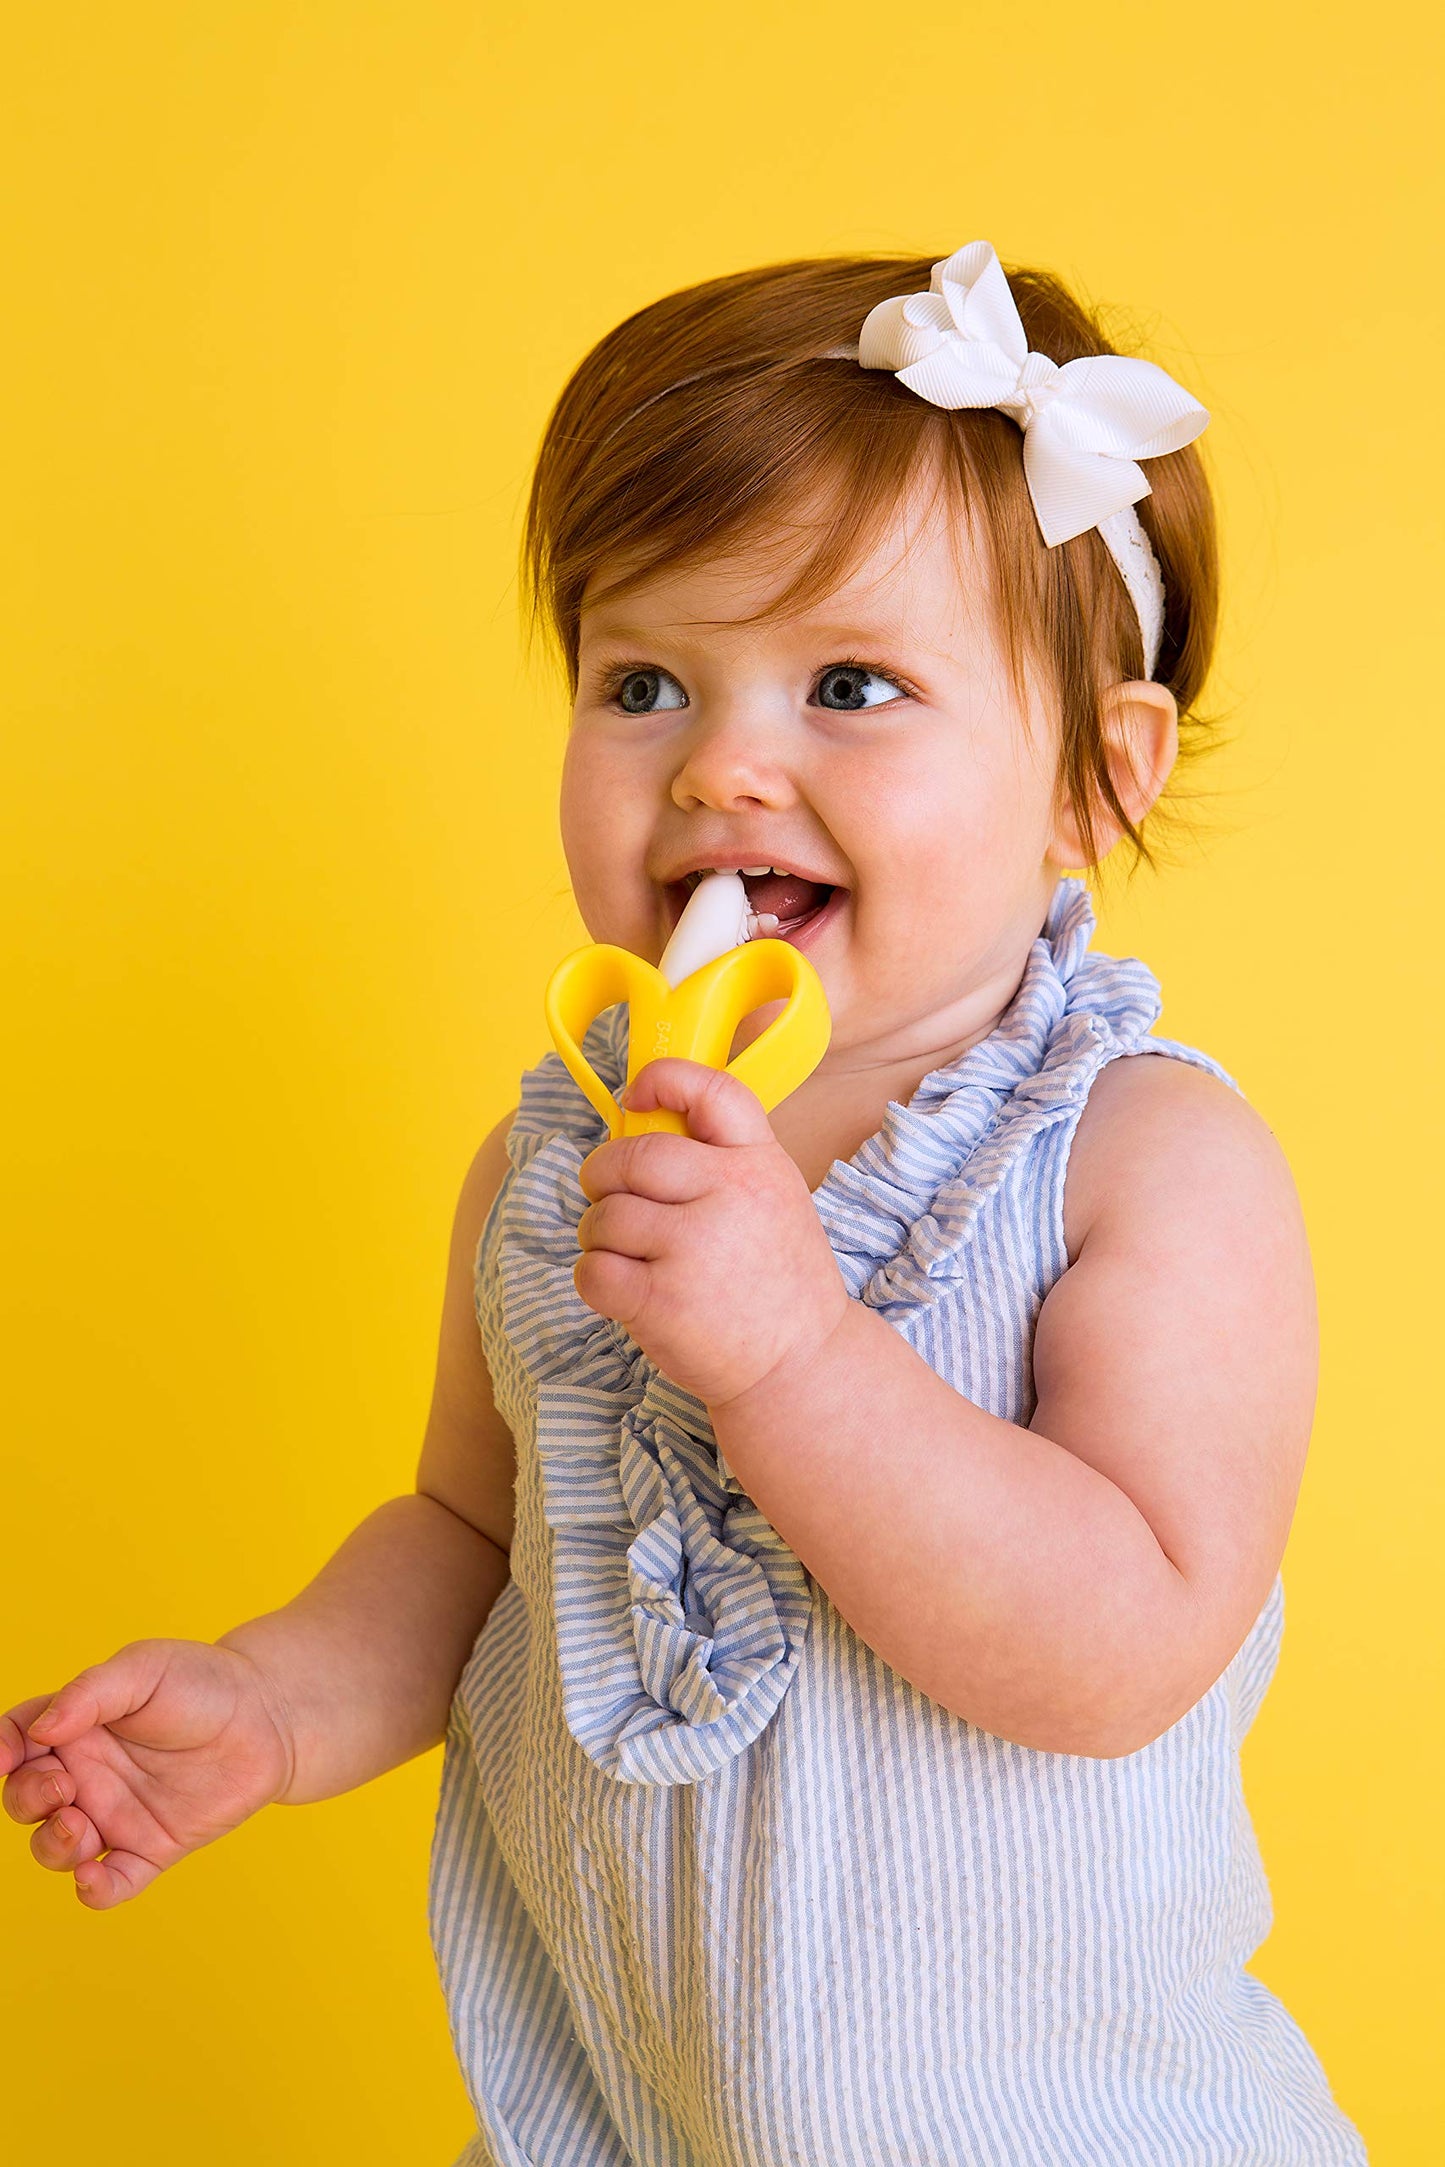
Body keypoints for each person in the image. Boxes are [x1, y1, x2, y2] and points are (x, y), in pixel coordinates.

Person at [3, 242, 1368, 2164]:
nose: (723, 767)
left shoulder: (1138, 1156)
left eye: (850, 685)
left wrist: (794, 1351)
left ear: (1091, 780)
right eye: (642, 681)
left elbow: (1123, 1648)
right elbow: (467, 1537)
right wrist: (273, 1702)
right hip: (619, 2126)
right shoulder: (552, 1165)